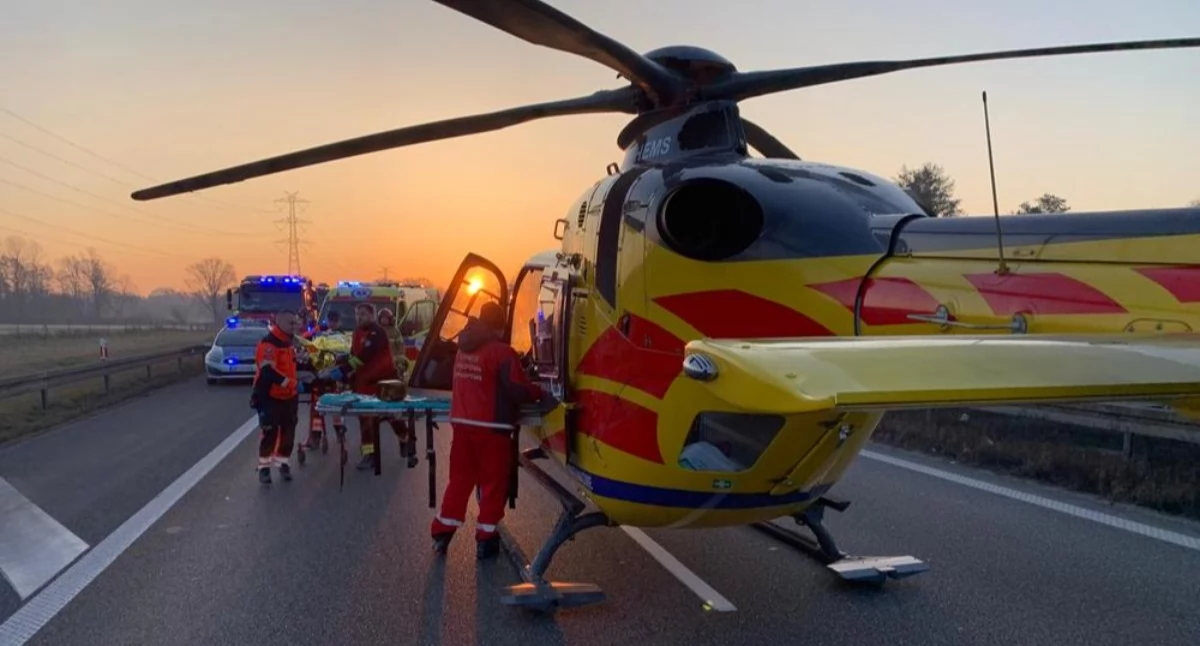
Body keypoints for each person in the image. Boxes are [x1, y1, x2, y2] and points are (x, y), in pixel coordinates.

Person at [430, 301, 544, 560]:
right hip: (493, 429)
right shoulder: (502, 353)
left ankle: (441, 533)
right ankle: (486, 539)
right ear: (500, 324)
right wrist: (540, 392)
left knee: (459, 481)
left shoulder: (463, 349)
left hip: (462, 425)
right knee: (493, 484)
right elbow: (519, 389)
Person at [329, 303, 399, 471]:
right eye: (358, 314)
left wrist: (344, 369)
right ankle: (369, 455)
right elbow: (354, 354)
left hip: (382, 382)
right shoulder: (357, 333)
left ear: (372, 315)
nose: (360, 317)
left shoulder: (378, 333)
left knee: (390, 415)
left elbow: (364, 357)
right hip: (363, 384)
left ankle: (406, 439)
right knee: (365, 421)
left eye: (364, 314)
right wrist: (343, 366)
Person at [250, 310, 308, 485]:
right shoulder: (269, 344)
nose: (294, 327)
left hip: (289, 397)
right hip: (270, 397)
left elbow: (292, 365)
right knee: (270, 433)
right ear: (280, 323)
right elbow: (268, 372)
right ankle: (264, 469)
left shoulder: (288, 343)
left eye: (295, 323)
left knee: (288, 433)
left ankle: (283, 464)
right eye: (291, 324)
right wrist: (291, 384)